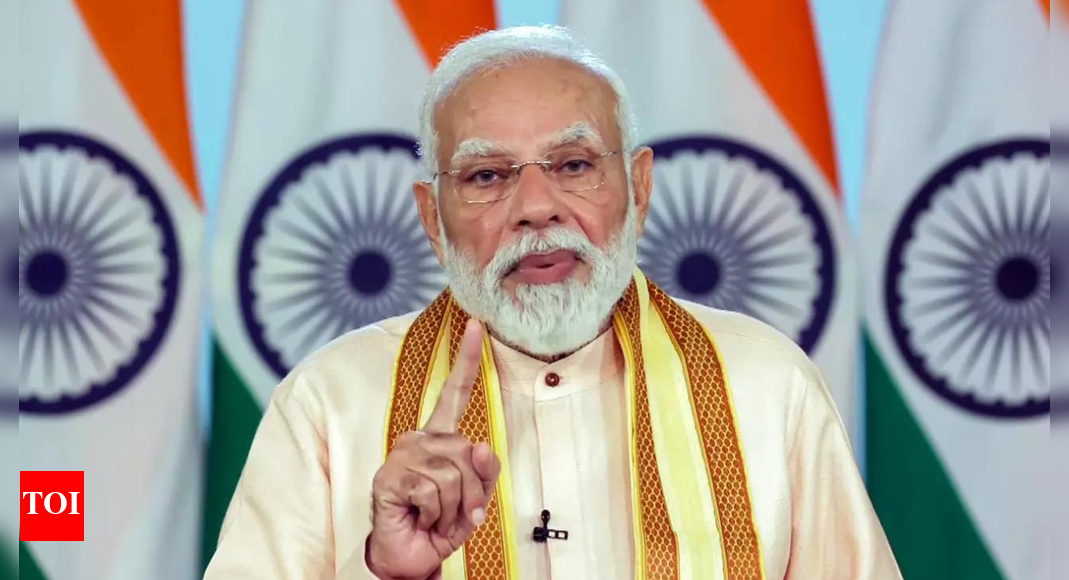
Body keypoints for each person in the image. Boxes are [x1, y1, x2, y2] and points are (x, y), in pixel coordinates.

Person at [203, 25, 902, 580]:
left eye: (573, 165)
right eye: (487, 175)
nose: (536, 207)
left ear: (639, 188)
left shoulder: (767, 383)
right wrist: (386, 572)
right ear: (431, 218)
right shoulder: (329, 402)